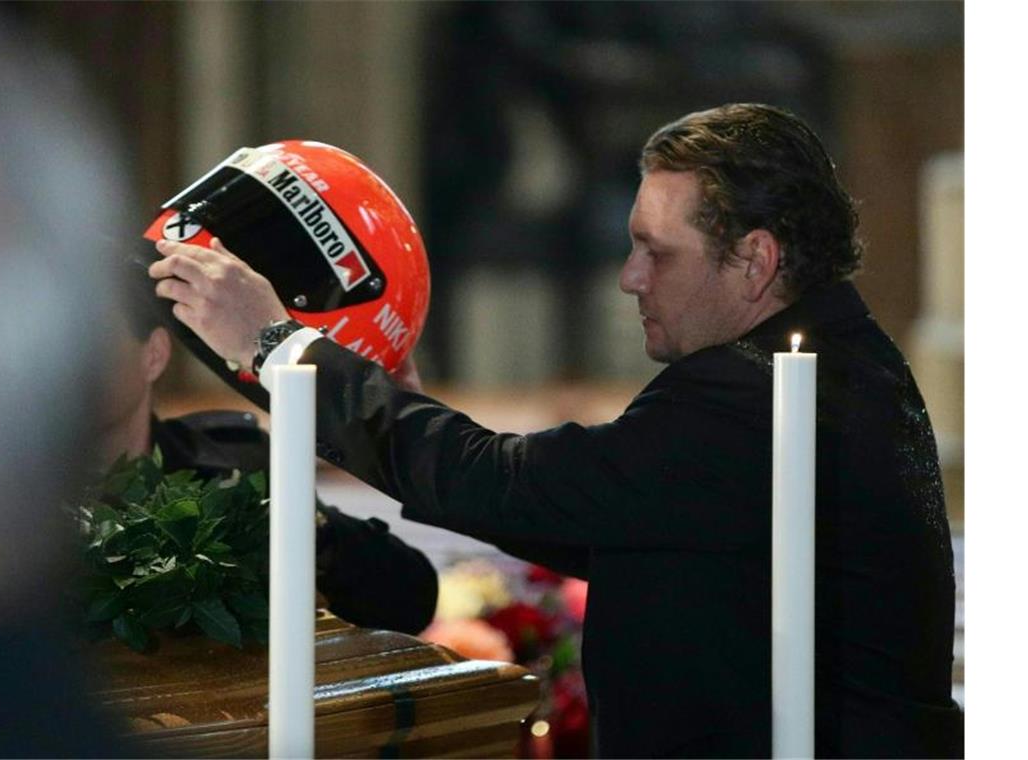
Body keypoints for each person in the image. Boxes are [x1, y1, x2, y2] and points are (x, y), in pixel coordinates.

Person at [148, 104, 962, 758]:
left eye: (656, 252)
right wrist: (407, 419)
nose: (628, 277)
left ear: (754, 260)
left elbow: (519, 486)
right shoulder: (824, 366)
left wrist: (276, 342)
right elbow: (592, 515)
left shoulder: (763, 394)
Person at [98, 282, 438, 636]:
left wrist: (311, 531)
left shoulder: (232, 470)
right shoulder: (34, 505)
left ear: (153, 355)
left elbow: (410, 602)